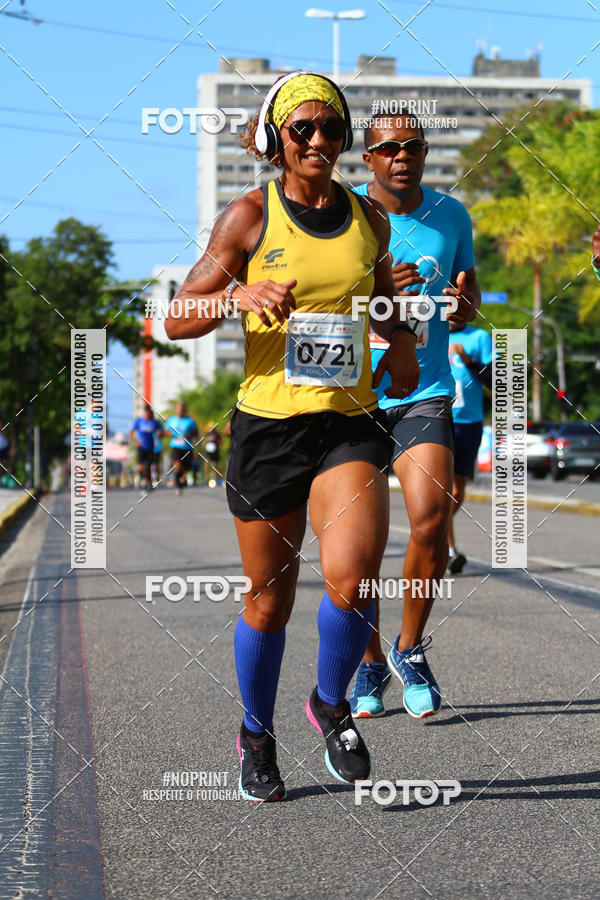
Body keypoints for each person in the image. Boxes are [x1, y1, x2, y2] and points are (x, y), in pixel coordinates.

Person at [165, 72, 419, 802]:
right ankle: (255, 731)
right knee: (268, 600)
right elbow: (177, 316)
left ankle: (331, 704)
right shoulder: (249, 215)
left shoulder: (368, 217)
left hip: (348, 422)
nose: (317, 141)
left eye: (331, 129)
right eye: (301, 129)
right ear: (275, 138)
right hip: (269, 428)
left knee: (356, 572)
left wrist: (399, 341)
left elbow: (384, 300)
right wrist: (235, 294)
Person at [348, 114, 481, 720]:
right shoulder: (344, 214)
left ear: (426, 154)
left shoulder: (451, 216)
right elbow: (314, 297)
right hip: (350, 396)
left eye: (413, 146)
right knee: (359, 547)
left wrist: (460, 304)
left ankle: (409, 649)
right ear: (369, 158)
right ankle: (370, 662)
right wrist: (373, 293)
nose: (402, 155)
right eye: (389, 147)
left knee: (430, 518)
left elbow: (468, 296)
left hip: (424, 389)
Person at [448, 322, 493, 573]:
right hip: (436, 420)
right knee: (439, 490)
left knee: (456, 491)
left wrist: (468, 360)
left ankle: (432, 524)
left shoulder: (479, 337)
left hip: (469, 422)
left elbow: (498, 382)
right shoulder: (429, 330)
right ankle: (450, 550)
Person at [164, 402, 198, 495]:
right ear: (176, 409)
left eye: (183, 409)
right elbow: (165, 432)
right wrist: (170, 433)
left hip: (187, 447)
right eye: (179, 408)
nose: (181, 410)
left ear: (185, 410)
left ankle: (183, 480)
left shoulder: (190, 421)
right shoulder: (171, 420)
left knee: (187, 467)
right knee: (177, 466)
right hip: (176, 446)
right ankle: (178, 486)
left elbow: (196, 433)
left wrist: (188, 435)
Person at [130, 405, 163, 491]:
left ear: (150, 413)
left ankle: (148, 483)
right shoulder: (139, 421)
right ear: (144, 413)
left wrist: (159, 433)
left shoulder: (154, 422)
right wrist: (135, 441)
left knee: (148, 466)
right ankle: (140, 478)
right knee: (140, 467)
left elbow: (160, 431)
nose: (147, 414)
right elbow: (131, 432)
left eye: (148, 412)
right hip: (141, 447)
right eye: (145, 412)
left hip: (151, 447)